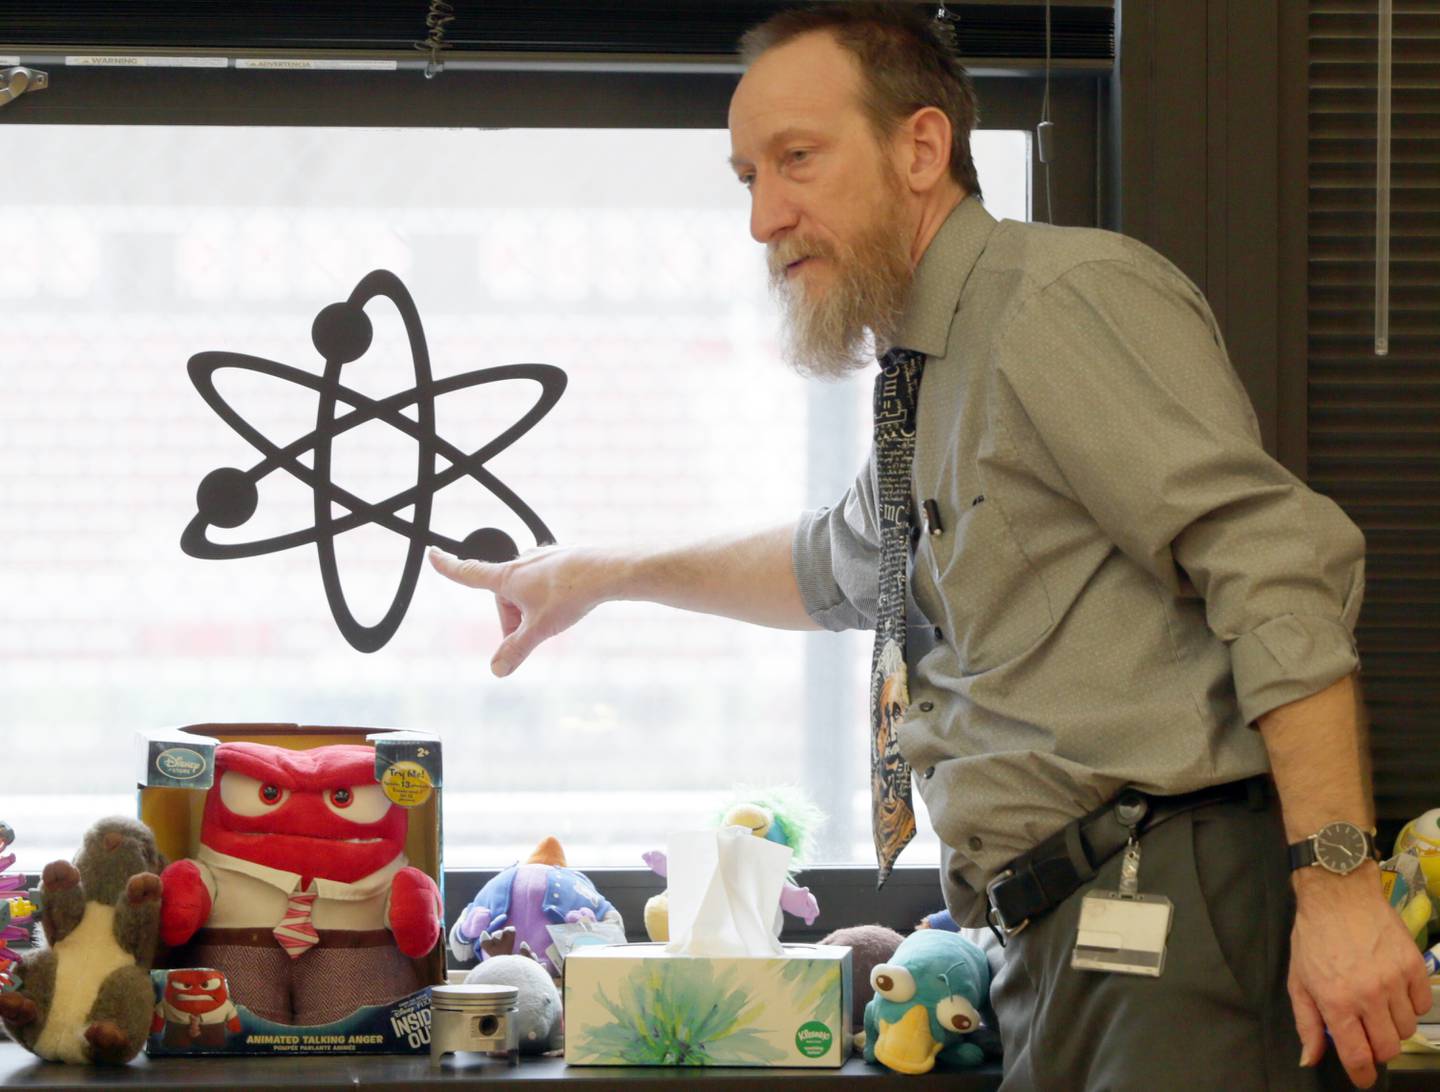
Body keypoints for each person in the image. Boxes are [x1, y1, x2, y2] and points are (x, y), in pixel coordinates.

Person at [429, 4, 1428, 1088]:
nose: (765, 216)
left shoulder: (1058, 301)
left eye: (797, 159)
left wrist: (1340, 890)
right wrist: (601, 575)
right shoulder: (927, 376)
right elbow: (841, 566)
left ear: (920, 148)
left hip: (1169, 905)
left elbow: (1276, 567)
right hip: (1051, 937)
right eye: (747, 178)